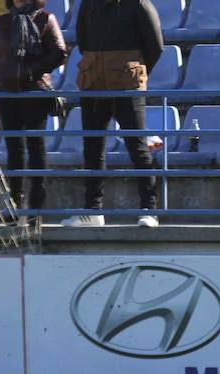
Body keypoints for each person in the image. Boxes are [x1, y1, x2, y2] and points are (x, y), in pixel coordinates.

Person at [61, 0, 163, 228]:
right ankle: (93, 211)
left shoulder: (138, 4)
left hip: (126, 84)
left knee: (137, 146)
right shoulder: (88, 4)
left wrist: (134, 71)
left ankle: (149, 210)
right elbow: (83, 40)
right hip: (94, 80)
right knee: (93, 147)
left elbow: (155, 45)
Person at [0, 0, 67, 222]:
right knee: (13, 148)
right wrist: (2, 72)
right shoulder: (2, 21)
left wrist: (30, 71)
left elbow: (59, 52)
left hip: (35, 91)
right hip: (7, 93)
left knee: (36, 147)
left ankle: (36, 208)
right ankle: (14, 205)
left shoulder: (46, 18)